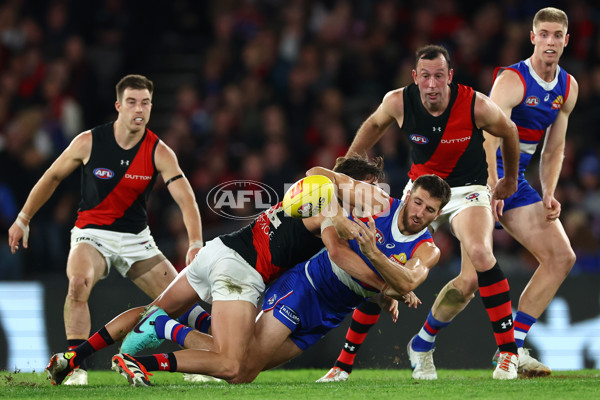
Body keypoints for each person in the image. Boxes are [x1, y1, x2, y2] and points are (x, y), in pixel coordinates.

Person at [45, 155, 406, 386]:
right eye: (370, 188)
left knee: (154, 308)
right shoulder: (331, 210)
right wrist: (389, 284)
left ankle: (70, 358)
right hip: (240, 272)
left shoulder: (314, 189)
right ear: (353, 184)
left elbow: (315, 172)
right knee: (233, 366)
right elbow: (339, 255)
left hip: (219, 250)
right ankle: (143, 360)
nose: (374, 198)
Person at [108, 172, 451, 386]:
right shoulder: (375, 200)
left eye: (430, 210)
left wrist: (380, 272)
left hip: (330, 313)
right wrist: (384, 282)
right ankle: (160, 332)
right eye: (417, 201)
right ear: (407, 195)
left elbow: (407, 282)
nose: (419, 213)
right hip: (305, 287)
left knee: (243, 371)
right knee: (236, 364)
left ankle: (180, 323)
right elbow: (318, 174)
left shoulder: (428, 249)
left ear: (438, 215)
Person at [318, 44, 522, 381]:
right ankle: (342, 364)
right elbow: (373, 125)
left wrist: (510, 179)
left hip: (466, 190)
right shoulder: (399, 101)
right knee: (381, 266)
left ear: (449, 77)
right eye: (425, 76)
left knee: (478, 262)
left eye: (439, 76)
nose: (431, 84)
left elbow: (509, 131)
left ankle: (504, 354)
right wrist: (346, 167)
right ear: (415, 78)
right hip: (419, 190)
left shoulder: (475, 104)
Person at [8, 74, 204, 385]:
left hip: (138, 240)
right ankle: (74, 366)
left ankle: (203, 363)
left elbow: (186, 199)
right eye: (132, 102)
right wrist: (23, 218)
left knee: (181, 300)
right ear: (118, 106)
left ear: (151, 107)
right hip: (92, 234)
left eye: (145, 103)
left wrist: (194, 241)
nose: (139, 109)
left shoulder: (159, 151)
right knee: (78, 283)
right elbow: (52, 177)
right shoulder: (89, 141)